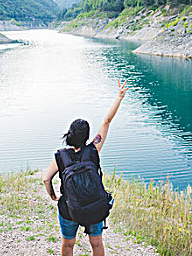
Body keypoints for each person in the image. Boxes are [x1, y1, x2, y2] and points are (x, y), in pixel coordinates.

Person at [43, 80, 129, 256]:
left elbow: (46, 178)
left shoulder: (61, 156)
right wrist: (119, 97)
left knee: (68, 244)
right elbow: (106, 121)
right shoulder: (93, 150)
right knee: (96, 243)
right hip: (94, 205)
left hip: (69, 207)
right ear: (87, 136)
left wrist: (54, 196)